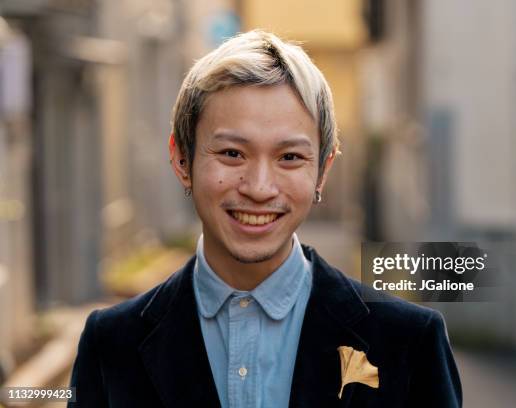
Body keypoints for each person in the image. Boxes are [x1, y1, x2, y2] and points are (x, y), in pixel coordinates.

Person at [68, 30, 462, 407]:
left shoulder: (409, 341)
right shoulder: (111, 344)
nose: (259, 188)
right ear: (181, 159)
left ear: (322, 170)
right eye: (232, 154)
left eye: (290, 157)